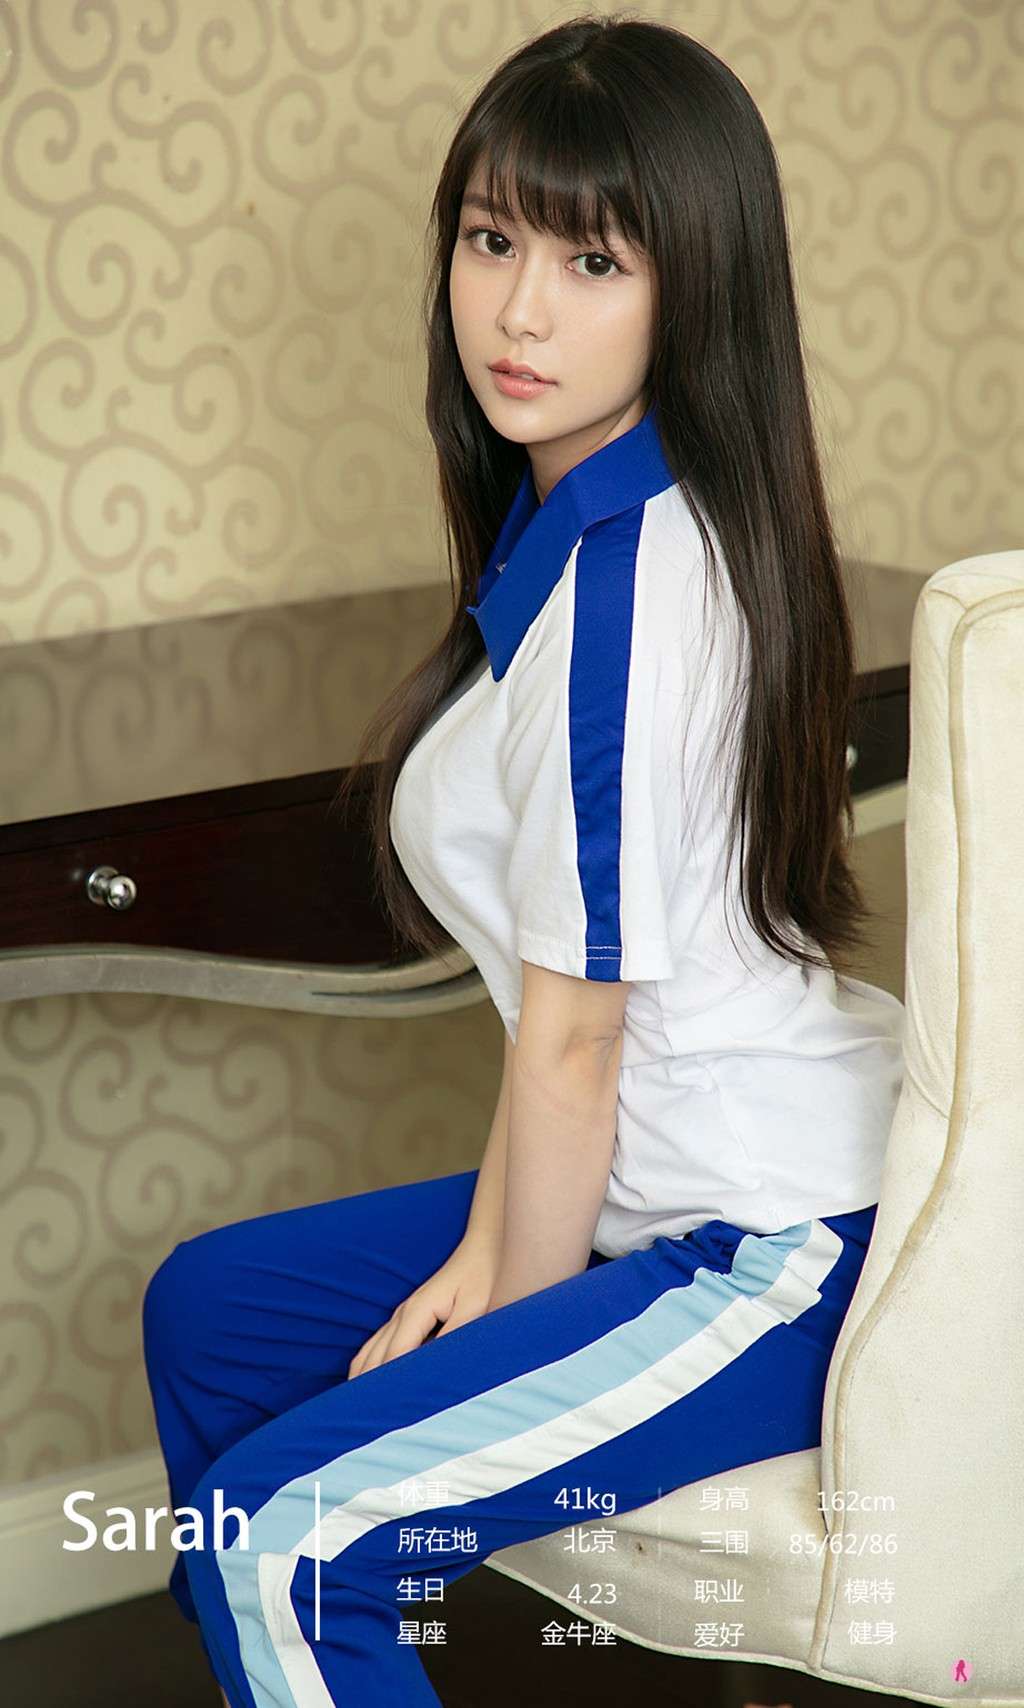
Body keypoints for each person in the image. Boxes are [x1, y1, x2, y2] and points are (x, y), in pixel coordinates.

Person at [141, 14, 905, 1706]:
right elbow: (558, 1018)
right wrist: (493, 1248)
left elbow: (577, 1039)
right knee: (212, 1313)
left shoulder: (634, 590)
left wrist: (502, 1314)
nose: (521, 311)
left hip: (766, 1239)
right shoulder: (583, 530)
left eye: (592, 261)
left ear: (693, 292)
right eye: (492, 242)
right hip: (649, 1172)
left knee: (283, 1540)